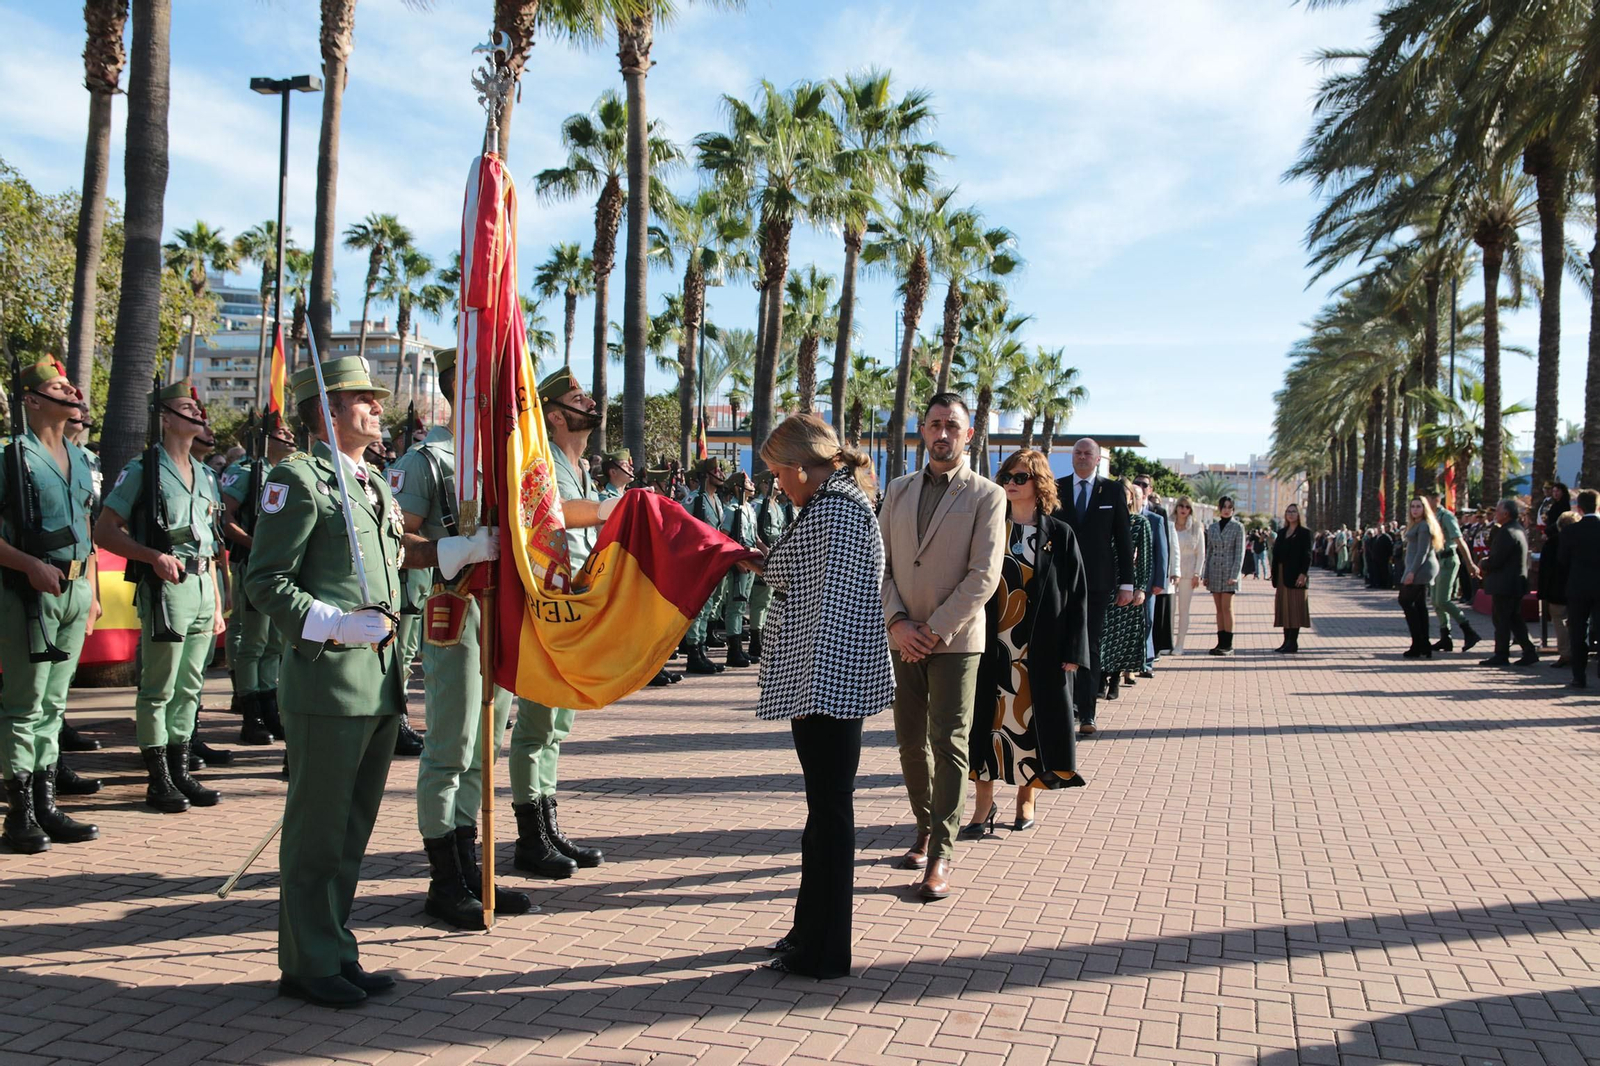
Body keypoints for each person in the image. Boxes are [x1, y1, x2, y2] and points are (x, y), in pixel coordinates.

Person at [244, 356, 407, 1008]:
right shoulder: (299, 479)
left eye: (374, 397)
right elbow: (264, 581)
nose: (375, 406)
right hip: (328, 683)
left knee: (351, 833)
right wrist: (336, 625)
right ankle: (306, 961)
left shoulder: (376, 485)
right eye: (361, 398)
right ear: (327, 411)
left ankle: (336, 948)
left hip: (379, 681)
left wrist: (456, 553)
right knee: (317, 832)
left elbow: (394, 565)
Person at [388, 347, 534, 929]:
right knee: (449, 750)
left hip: (499, 616)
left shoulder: (505, 459)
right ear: (459, 388)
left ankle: (475, 869)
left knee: (483, 751)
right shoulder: (428, 460)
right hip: (454, 614)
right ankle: (444, 880)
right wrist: (458, 550)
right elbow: (393, 543)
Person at [752, 414, 892, 980]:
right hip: (834, 679)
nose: (777, 485)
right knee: (826, 814)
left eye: (780, 474)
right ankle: (810, 932)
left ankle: (824, 950)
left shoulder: (830, 508)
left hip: (826, 682)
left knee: (829, 815)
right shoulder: (843, 500)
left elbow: (786, 569)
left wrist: (764, 559)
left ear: (804, 468)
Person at [878, 392, 1005, 901]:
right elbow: (880, 566)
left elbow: (984, 575)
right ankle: (925, 825)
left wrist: (935, 628)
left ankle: (941, 855)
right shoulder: (898, 491)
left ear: (968, 434)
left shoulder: (986, 496)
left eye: (953, 425)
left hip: (955, 641)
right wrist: (898, 623)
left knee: (949, 742)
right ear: (922, 431)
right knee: (910, 741)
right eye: (934, 424)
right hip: (903, 638)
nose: (943, 433)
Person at [95, 381, 227, 814]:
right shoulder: (142, 470)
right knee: (160, 686)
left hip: (201, 587)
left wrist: (216, 598)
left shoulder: (206, 474)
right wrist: (150, 556)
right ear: (165, 418)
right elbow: (105, 529)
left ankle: (182, 767)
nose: (197, 412)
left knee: (191, 685)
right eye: (186, 407)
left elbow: (210, 542)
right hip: (166, 589)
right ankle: (159, 778)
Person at [507, 369, 616, 881]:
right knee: (535, 724)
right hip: (545, 605)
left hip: (575, 606)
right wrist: (605, 510)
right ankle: (530, 836)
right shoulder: (543, 460)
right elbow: (542, 513)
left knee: (556, 725)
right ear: (555, 414)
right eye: (578, 399)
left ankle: (548, 825)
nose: (591, 402)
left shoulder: (582, 468)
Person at [0, 358, 102, 853]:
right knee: (25, 704)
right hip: (30, 591)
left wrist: (95, 593)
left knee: (55, 705)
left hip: (76, 592)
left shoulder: (81, 457)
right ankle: (19, 813)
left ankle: (46, 804)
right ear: (33, 400)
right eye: (58, 385)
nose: (72, 389)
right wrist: (27, 566)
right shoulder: (9, 456)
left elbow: (87, 530)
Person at [964, 449, 1088, 842]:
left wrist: (1074, 651)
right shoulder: (989, 526)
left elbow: (1077, 596)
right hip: (990, 645)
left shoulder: (1059, 535)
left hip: (1040, 650)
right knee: (985, 726)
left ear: (1039, 483)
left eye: (1020, 477)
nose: (1011, 483)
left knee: (1031, 727)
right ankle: (983, 806)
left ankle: (1025, 800)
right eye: (1007, 476)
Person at [218, 414, 297, 745]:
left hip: (279, 567)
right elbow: (225, 517)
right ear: (265, 439)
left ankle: (269, 709)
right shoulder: (246, 472)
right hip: (252, 563)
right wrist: (256, 544)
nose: (290, 436)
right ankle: (251, 714)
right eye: (281, 433)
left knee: (273, 643)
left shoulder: (287, 472)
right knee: (252, 643)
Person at [1052, 438, 1133, 736]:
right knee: (1062, 643)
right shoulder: (1057, 488)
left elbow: (1123, 538)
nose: (1082, 457)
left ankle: (1087, 712)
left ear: (1098, 459)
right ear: (1071, 458)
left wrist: (1128, 583)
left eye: (1088, 453)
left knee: (1090, 645)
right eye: (1078, 453)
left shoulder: (1111, 490)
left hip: (1097, 582)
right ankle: (1066, 706)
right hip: (1060, 581)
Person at [1099, 481, 1150, 698]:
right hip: (1106, 582)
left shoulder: (1139, 522)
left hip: (1128, 584)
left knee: (1123, 637)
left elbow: (1146, 556)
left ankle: (1115, 680)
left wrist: (1140, 587)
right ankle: (1100, 678)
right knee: (1104, 634)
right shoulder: (1103, 518)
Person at [681, 457, 728, 674]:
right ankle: (693, 652)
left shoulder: (716, 500)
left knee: (707, 605)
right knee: (698, 607)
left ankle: (701, 649)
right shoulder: (694, 499)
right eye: (716, 470)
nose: (720, 474)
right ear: (707, 475)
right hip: (698, 560)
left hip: (713, 559)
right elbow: (682, 526)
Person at [1479, 498, 1538, 667]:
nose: (1495, 514)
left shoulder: (1507, 532)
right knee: (1514, 619)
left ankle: (1501, 654)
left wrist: (1484, 563)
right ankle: (1529, 651)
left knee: (1502, 620)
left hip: (1505, 584)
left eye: (1497, 511)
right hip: (1514, 583)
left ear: (1506, 514)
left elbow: (1497, 559)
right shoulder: (1516, 529)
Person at [1426, 492, 1482, 653]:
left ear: (1436, 499)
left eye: (1427, 499)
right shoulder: (1431, 517)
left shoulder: (1447, 517)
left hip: (1448, 561)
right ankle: (1445, 637)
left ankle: (1469, 631)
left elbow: (1459, 540)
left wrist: (1470, 563)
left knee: (1443, 600)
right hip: (1436, 561)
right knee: (1436, 602)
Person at [1559, 489, 1600, 688]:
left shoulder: (1570, 531)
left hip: (1578, 586)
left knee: (1577, 631)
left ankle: (1579, 676)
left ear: (1579, 508)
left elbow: (1562, 561)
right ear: (1598, 506)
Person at [746, 471, 788, 663]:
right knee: (761, 600)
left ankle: (761, 637)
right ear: (764, 485)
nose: (778, 485)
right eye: (773, 482)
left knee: (769, 601)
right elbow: (755, 533)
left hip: (774, 554)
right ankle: (756, 640)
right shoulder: (757, 505)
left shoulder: (777, 506)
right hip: (764, 554)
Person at [1397, 498, 1443, 658]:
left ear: (1425, 509)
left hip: (1421, 568)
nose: (1415, 510)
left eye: (1418, 507)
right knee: (1419, 605)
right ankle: (1423, 644)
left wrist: (1412, 572)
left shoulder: (1424, 526)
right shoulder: (1416, 524)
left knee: (1405, 601)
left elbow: (1422, 552)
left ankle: (1418, 643)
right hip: (1416, 567)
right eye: (1412, 507)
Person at [1131, 476, 1168, 678]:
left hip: (1149, 579)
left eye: (1145, 485)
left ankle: (1146, 660)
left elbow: (1162, 551)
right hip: (1127, 580)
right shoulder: (1124, 514)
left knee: (1147, 620)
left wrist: (1160, 580)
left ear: (1150, 489)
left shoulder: (1156, 517)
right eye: (1137, 483)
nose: (1141, 487)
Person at [1202, 496, 1246, 655]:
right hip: (1214, 571)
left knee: (1227, 608)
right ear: (1219, 508)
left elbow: (1240, 553)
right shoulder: (1213, 527)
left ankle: (1228, 644)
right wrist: (1205, 574)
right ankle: (1220, 642)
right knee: (1219, 609)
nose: (1226, 510)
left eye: (1229, 507)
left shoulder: (1238, 527)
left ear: (1233, 509)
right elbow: (1209, 552)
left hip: (1229, 572)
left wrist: (1235, 575)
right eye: (1224, 507)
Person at [1271, 503, 1311, 653]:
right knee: (1284, 608)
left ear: (1299, 514)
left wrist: (1303, 574)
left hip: (1296, 576)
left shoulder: (1305, 533)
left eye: (1294, 511)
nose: (1291, 514)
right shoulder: (1282, 532)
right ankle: (1286, 641)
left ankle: (1293, 642)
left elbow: (1307, 556)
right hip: (1282, 575)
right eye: (1288, 511)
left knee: (1294, 609)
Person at [1171, 496, 1206, 654]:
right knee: (1170, 609)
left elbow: (1201, 553)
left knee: (1184, 609)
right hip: (1171, 572)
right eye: (1181, 505)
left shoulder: (1196, 527)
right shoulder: (1169, 524)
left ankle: (1180, 644)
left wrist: (1197, 573)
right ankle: (1169, 642)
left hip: (1188, 572)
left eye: (1187, 507)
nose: (1183, 509)